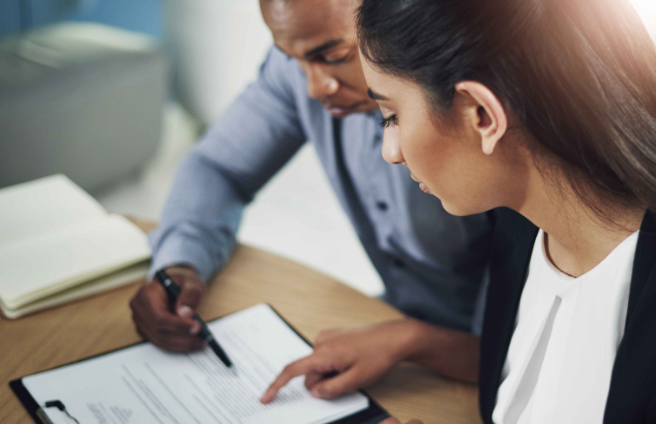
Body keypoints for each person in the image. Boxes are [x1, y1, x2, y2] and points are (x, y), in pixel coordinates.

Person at [263, 0, 656, 424]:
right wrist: (411, 341)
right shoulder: (521, 225)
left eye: (392, 116)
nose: (391, 152)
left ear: (482, 115)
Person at [129, 0, 494, 394]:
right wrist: (182, 261)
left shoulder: (484, 118)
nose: (314, 87)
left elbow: (522, 350)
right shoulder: (304, 66)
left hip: (486, 370)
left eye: (333, 56)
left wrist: (411, 341)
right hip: (392, 323)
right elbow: (220, 166)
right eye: (293, 59)